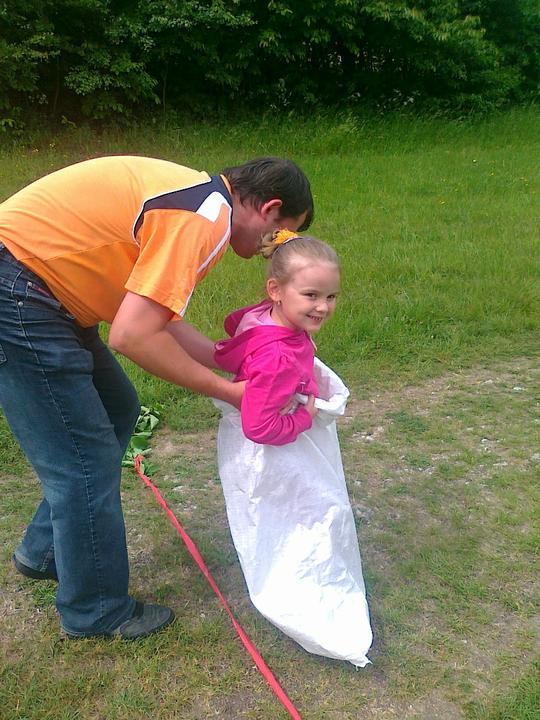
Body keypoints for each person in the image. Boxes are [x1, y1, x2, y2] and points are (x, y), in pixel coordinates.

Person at [0, 155, 313, 639]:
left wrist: (230, 359)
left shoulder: (201, 202)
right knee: (84, 461)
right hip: (21, 290)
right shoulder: (204, 219)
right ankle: (95, 611)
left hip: (40, 288)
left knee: (117, 409)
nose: (270, 248)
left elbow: (156, 316)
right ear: (269, 208)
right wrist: (228, 391)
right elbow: (132, 336)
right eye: (281, 233)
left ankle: (45, 552)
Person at [214, 229, 340, 445]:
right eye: (311, 295)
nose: (323, 307)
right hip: (275, 453)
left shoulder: (270, 317)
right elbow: (259, 428)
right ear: (275, 290)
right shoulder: (278, 359)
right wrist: (303, 418)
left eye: (331, 296)